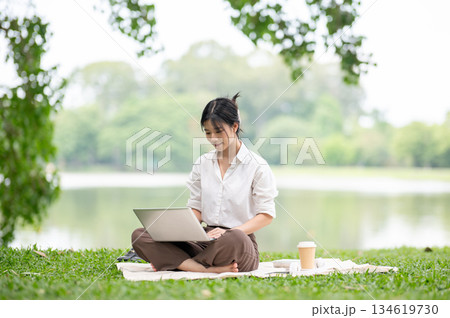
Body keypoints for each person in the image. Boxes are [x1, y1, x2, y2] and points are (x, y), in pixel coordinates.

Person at [131, 93, 278, 273]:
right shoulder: (203, 163)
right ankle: (203, 268)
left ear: (234, 126)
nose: (213, 138)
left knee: (235, 238)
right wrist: (178, 230)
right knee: (141, 235)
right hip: (204, 239)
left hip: (238, 241)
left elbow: (266, 215)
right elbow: (196, 209)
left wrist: (229, 231)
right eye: (208, 132)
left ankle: (177, 263)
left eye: (218, 132)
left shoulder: (257, 166)